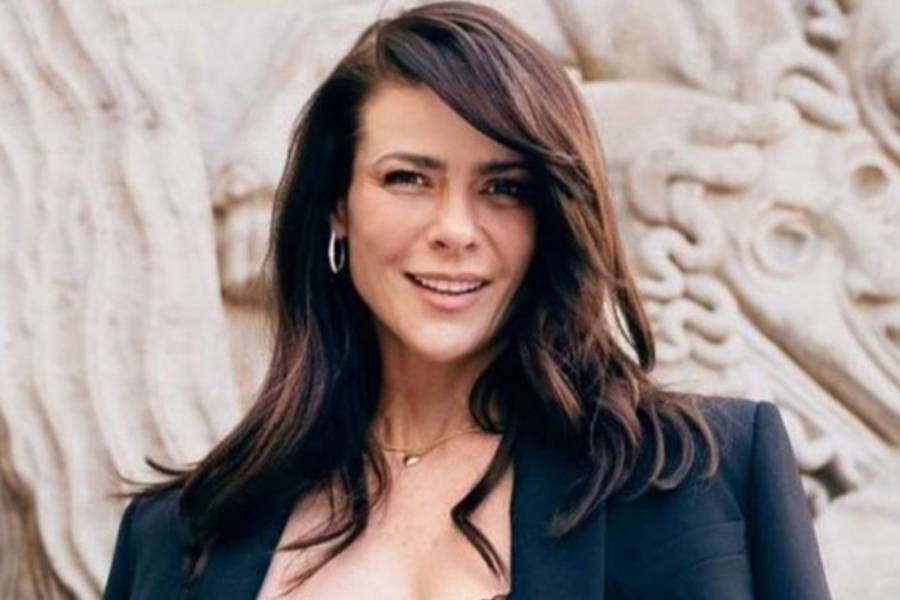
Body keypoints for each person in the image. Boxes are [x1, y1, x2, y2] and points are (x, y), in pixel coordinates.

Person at [103, 2, 832, 599]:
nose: (455, 229)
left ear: (550, 216)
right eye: (408, 179)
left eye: (503, 187)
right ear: (337, 206)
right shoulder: (176, 536)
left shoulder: (705, 477)